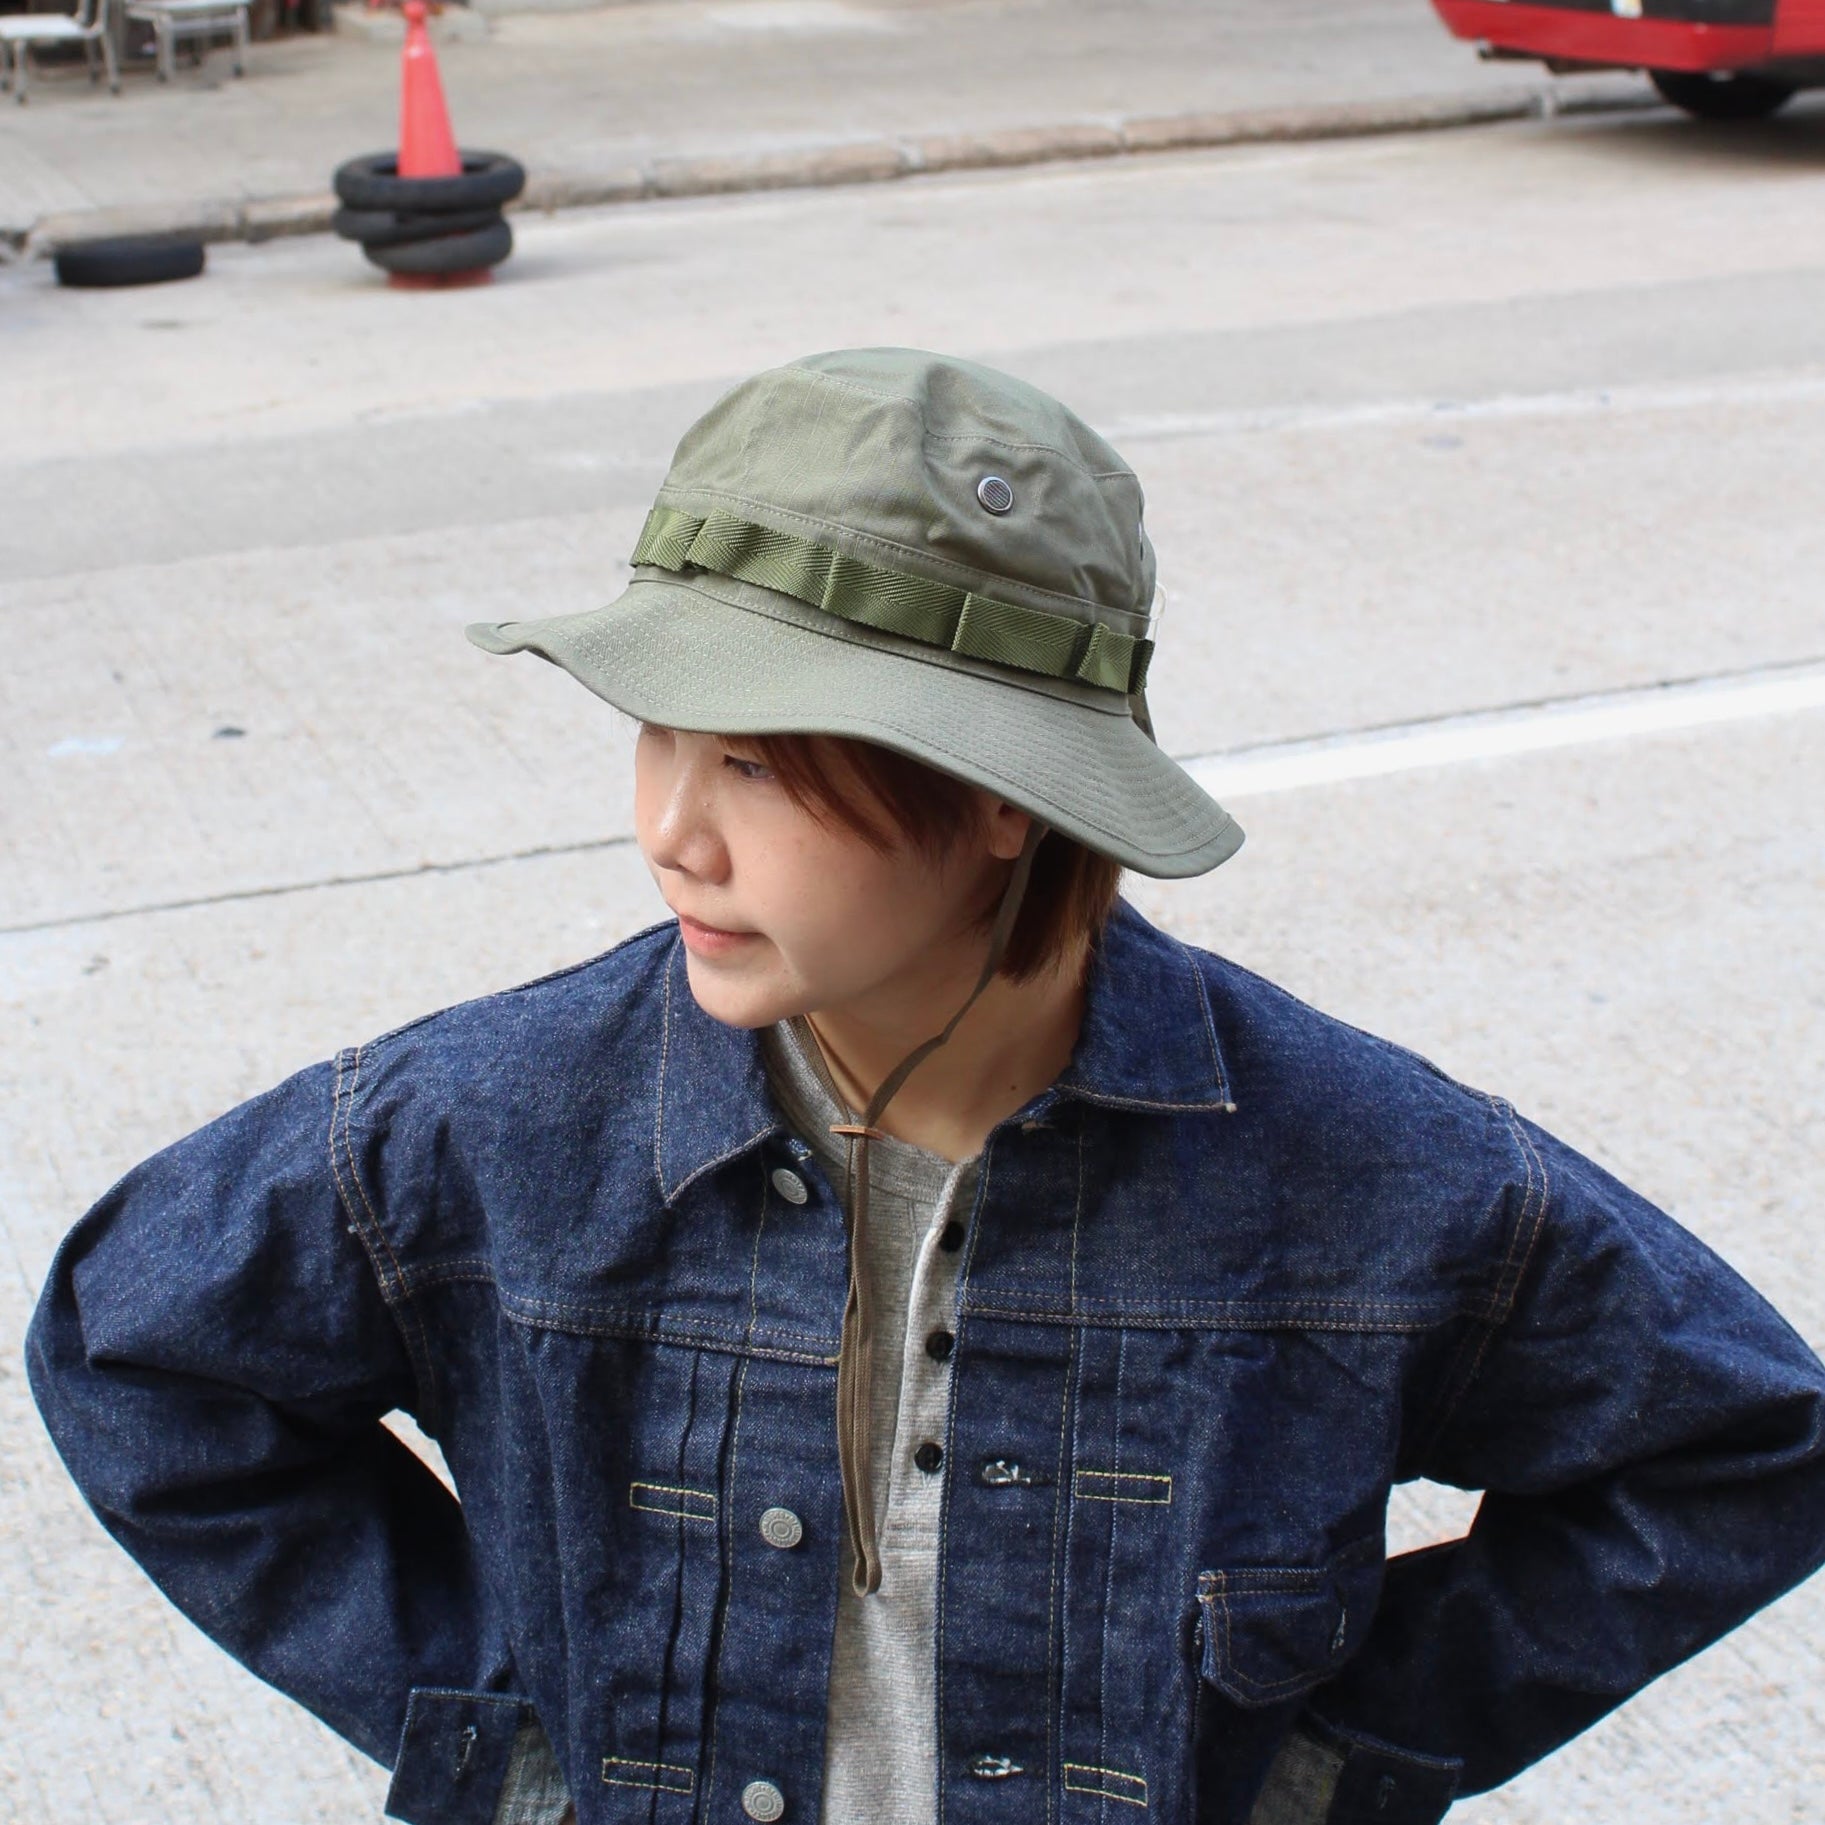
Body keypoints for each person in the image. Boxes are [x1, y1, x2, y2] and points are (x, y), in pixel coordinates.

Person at [25, 348, 1825, 1825]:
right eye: (656, 730)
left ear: (997, 796)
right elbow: (137, 1348)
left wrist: (1318, 1766)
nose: (669, 828)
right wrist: (515, 1741)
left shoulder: (1349, 1173)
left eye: (754, 760)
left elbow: (1744, 1449)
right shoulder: (497, 1125)